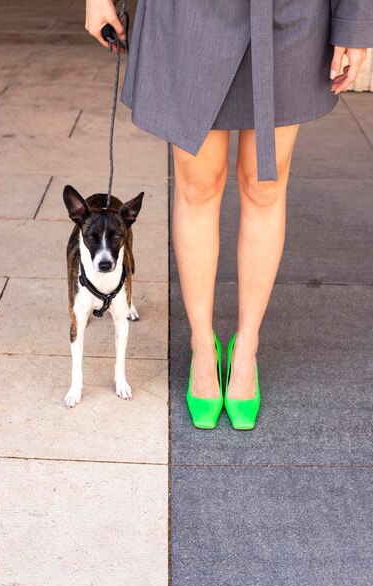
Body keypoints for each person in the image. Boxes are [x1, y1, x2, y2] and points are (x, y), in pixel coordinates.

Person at [85, 0, 372, 428]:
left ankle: (246, 347)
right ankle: (203, 345)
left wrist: (356, 22)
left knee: (265, 185)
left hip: (289, 13)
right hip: (187, 15)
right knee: (198, 185)